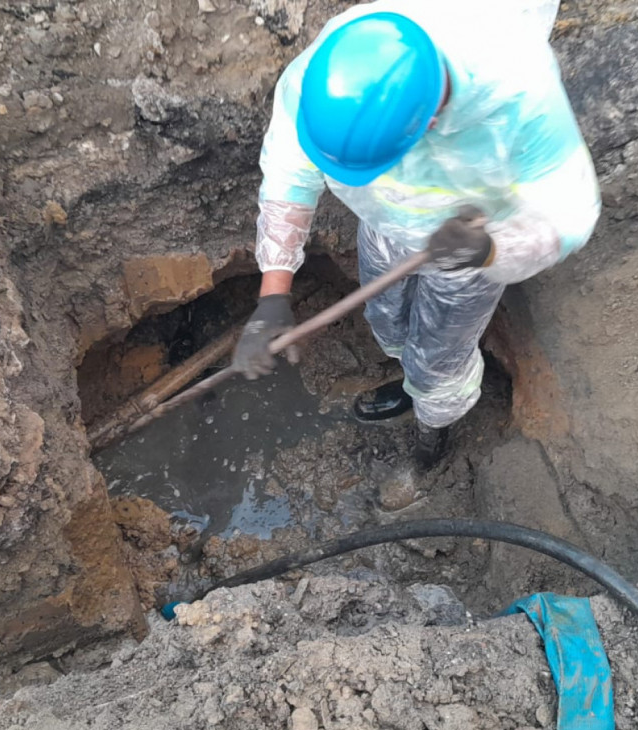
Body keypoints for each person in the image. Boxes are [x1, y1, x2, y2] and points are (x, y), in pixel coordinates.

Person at [231, 1, 600, 469]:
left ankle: (433, 432)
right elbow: (288, 175)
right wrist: (272, 295)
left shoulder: (520, 92)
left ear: (428, 126)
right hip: (386, 224)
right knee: (386, 317)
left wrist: (491, 249)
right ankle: (410, 386)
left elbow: (570, 213)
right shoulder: (329, 78)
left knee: (437, 360)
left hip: (467, 247)